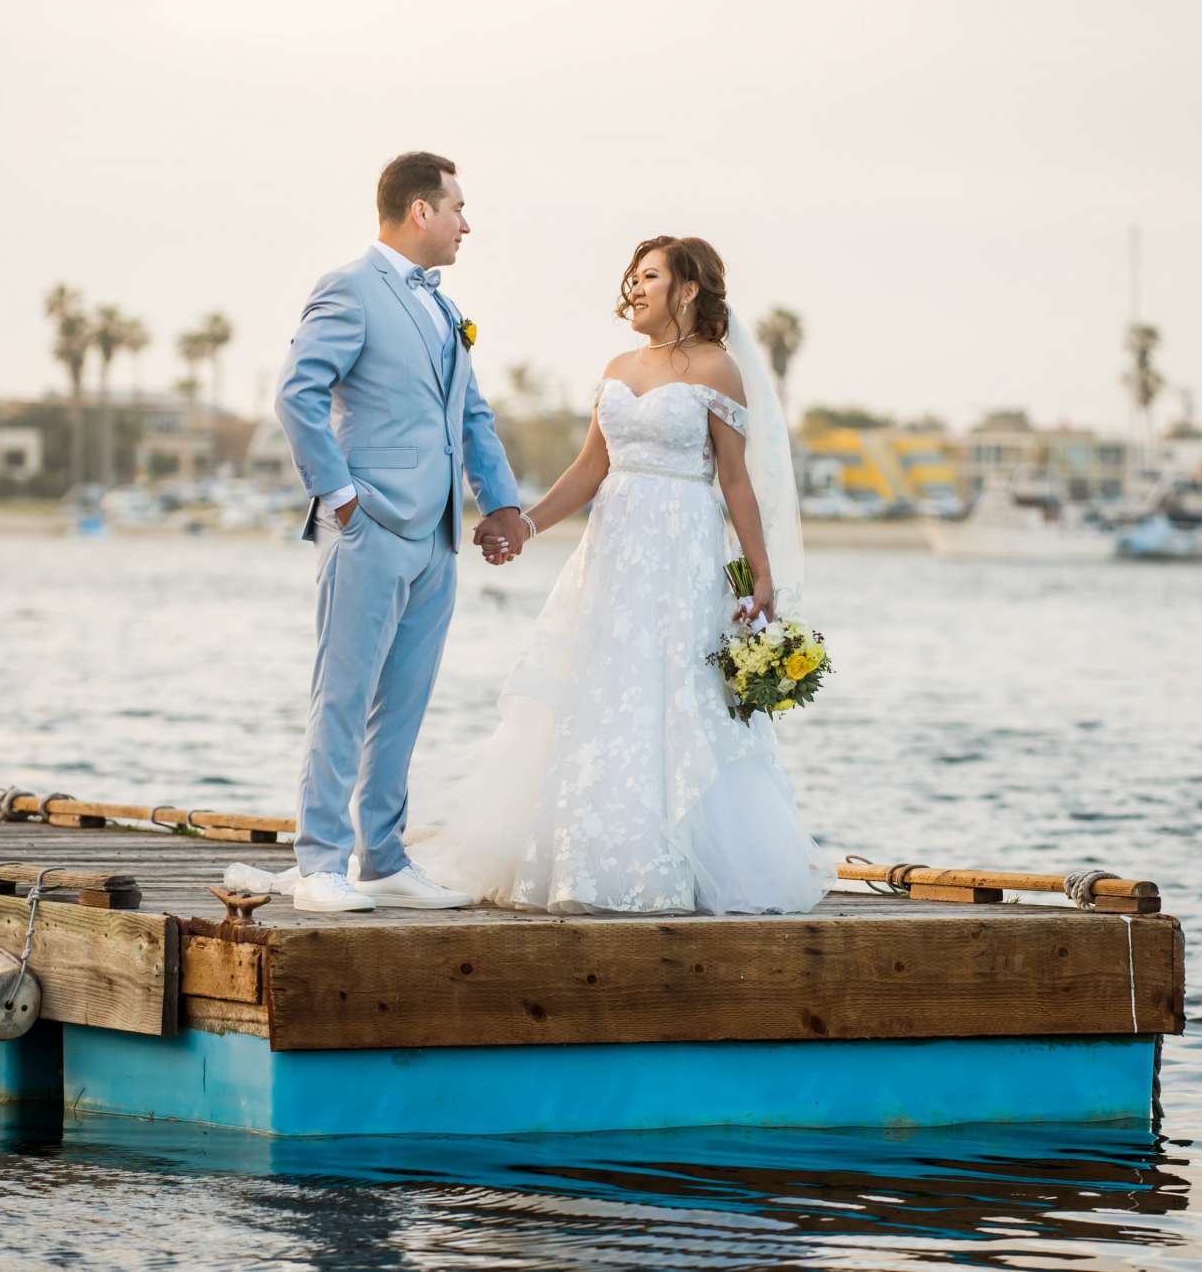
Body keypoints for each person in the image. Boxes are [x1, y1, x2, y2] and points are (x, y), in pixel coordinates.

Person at [409, 235, 831, 915]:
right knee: (599, 687)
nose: (633, 288)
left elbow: (736, 481)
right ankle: (585, 857)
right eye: (631, 277)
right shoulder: (617, 364)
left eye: (650, 277)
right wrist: (525, 525)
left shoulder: (717, 370)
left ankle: (675, 860)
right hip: (611, 550)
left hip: (681, 549)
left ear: (688, 289)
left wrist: (761, 577)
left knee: (671, 692)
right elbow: (587, 470)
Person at [272, 151, 527, 913]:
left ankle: (381, 857)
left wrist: (501, 502)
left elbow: (471, 415)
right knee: (344, 694)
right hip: (369, 525)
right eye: (456, 208)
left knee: (405, 702)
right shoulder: (350, 289)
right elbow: (297, 395)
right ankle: (319, 862)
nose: (465, 224)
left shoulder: (445, 309)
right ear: (421, 211)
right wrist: (340, 496)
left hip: (437, 537)